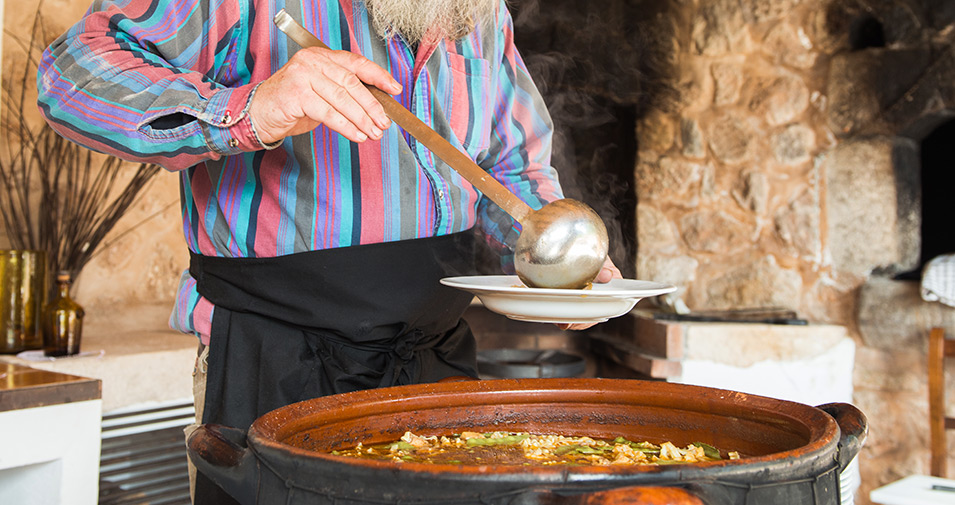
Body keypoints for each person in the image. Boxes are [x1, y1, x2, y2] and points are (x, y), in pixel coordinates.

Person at [37, 0, 621, 502]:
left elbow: (511, 167)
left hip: (433, 368)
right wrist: (252, 109)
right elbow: (69, 75)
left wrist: (552, 256)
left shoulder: (482, 12)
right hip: (274, 362)